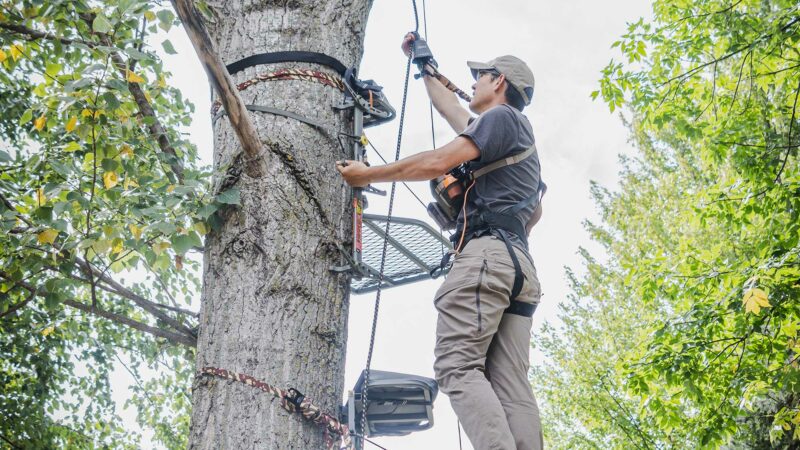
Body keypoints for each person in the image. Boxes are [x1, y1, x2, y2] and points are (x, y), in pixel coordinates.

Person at [336, 33, 544, 450]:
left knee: (457, 366)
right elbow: (451, 108)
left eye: (479, 76)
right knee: (509, 383)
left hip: (488, 256)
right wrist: (424, 64)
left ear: (498, 80)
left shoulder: (501, 121)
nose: (472, 84)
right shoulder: (516, 138)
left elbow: (437, 161)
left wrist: (366, 175)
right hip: (519, 265)